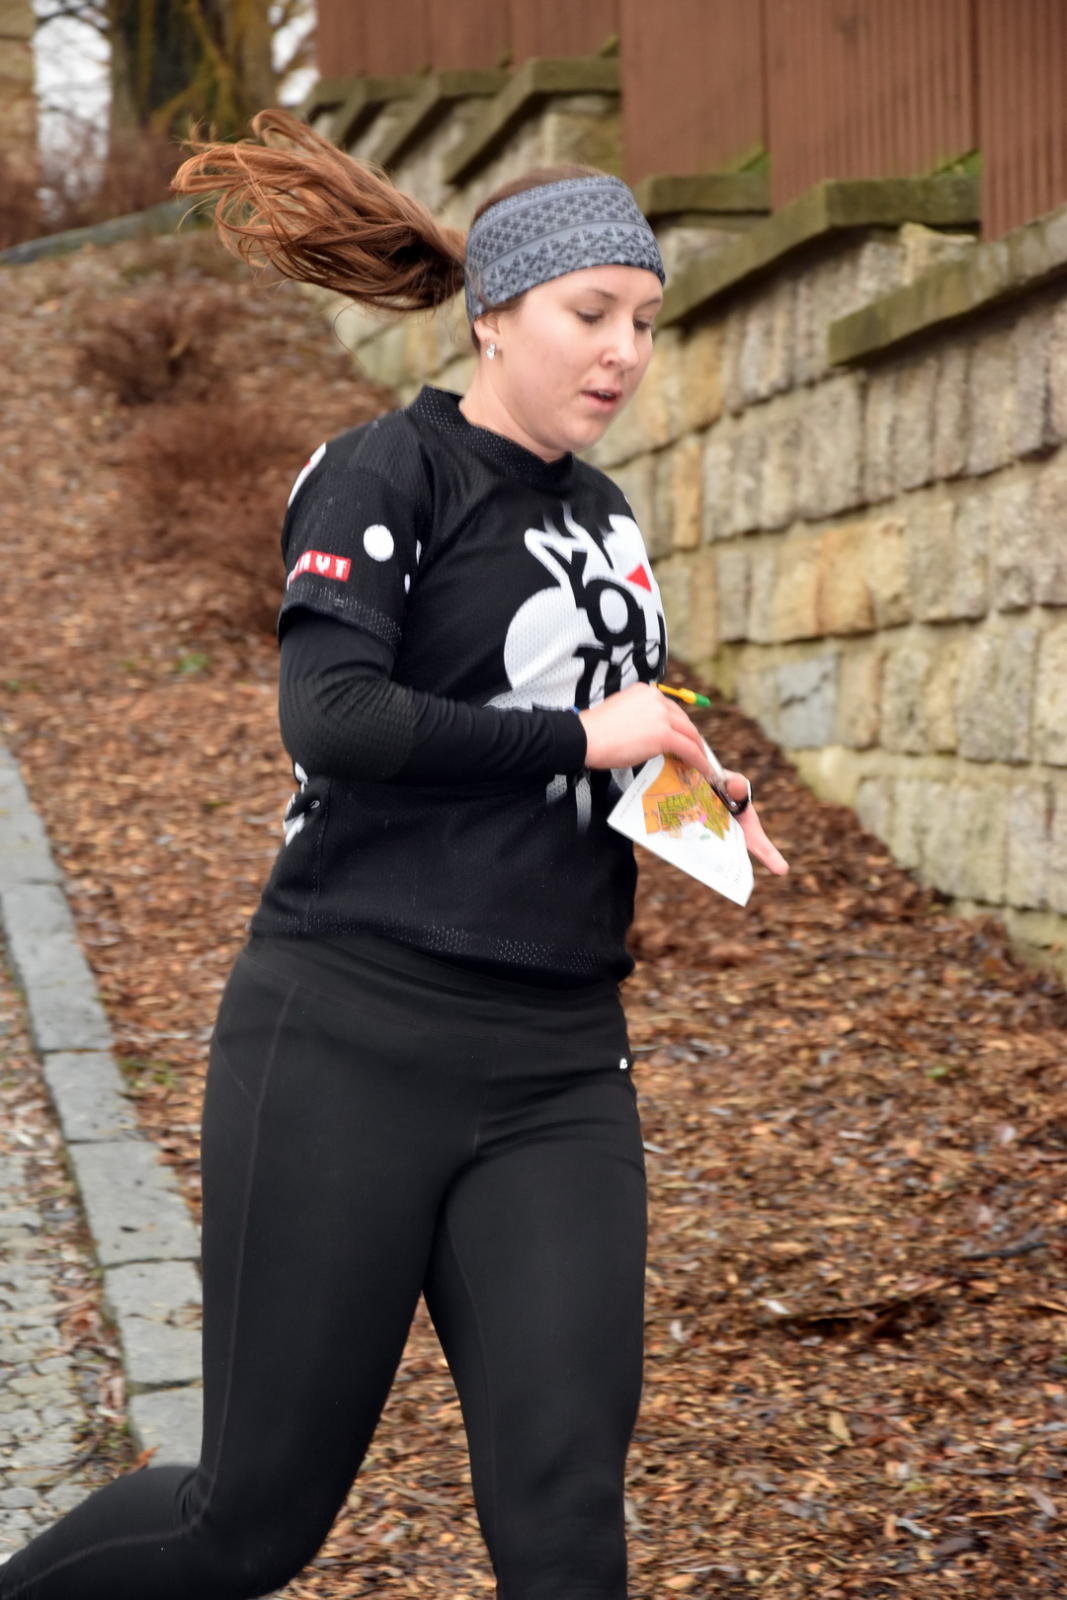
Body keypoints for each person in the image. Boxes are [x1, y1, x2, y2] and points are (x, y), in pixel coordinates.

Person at [0, 111, 788, 1600]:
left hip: (559, 1063)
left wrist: (694, 785)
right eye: (591, 314)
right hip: (349, 1036)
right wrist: (595, 737)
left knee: (566, 1527)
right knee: (249, 1525)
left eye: (643, 321)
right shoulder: (384, 472)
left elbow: (593, 718)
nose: (623, 352)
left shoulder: (606, 517)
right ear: (496, 315)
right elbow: (337, 718)